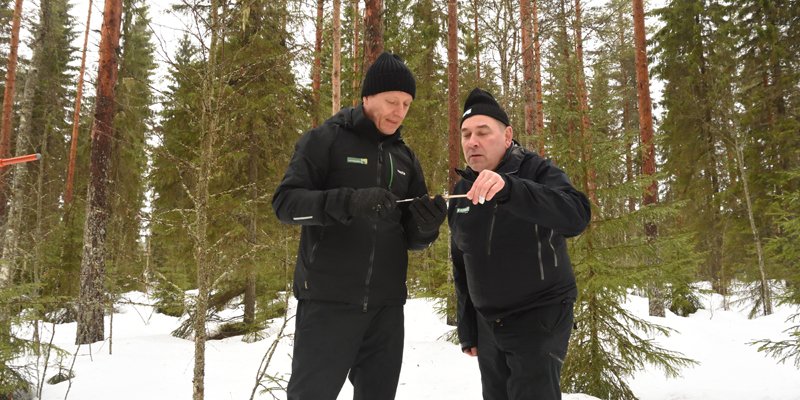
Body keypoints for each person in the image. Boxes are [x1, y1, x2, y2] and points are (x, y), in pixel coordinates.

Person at [272, 52, 447, 400]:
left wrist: (427, 227)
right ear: (367, 97)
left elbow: (411, 236)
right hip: (327, 302)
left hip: (385, 309)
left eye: (407, 104)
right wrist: (348, 202)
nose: (399, 112)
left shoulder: (405, 158)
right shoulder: (325, 140)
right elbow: (286, 205)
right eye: (392, 101)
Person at [448, 88, 591, 400]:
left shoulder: (536, 170)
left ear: (507, 135)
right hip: (488, 324)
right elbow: (462, 259)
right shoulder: (462, 189)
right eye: (466, 134)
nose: (472, 141)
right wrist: (468, 325)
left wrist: (511, 189)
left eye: (483, 133)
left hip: (539, 316)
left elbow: (577, 214)